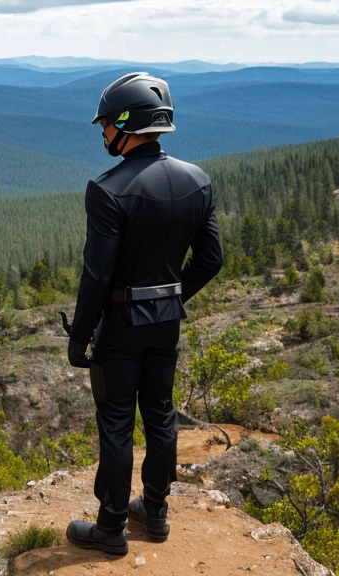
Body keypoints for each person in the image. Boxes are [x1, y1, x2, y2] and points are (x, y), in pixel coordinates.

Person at [64, 72, 224, 555]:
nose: (103, 132)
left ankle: (111, 528)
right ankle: (154, 512)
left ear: (127, 125)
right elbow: (210, 261)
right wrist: (171, 298)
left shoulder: (108, 189)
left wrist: (79, 338)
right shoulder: (198, 181)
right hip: (166, 326)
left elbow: (97, 275)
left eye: (107, 123)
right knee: (160, 417)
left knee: (116, 423)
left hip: (120, 329)